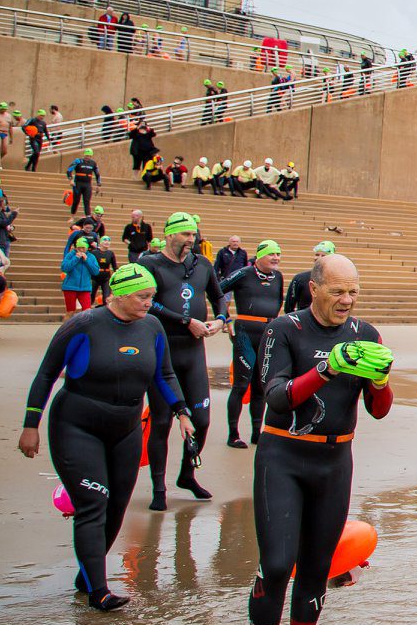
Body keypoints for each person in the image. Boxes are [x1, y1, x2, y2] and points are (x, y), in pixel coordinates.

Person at [235, 254, 393, 625]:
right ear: (314, 289)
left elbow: (378, 410)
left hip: (334, 460)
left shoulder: (365, 335)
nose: (347, 300)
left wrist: (380, 380)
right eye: (338, 291)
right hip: (282, 456)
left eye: (354, 292)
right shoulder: (284, 330)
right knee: (279, 564)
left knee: (317, 570)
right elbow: (277, 398)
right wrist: (328, 367)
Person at [17, 263, 189, 611]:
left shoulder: (152, 327)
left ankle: (87, 575)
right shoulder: (84, 325)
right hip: (77, 425)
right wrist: (30, 425)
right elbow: (46, 375)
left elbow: (164, 374)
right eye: (143, 297)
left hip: (125, 429)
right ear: (120, 295)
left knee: (116, 507)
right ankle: (99, 591)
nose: (149, 303)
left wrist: (182, 412)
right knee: (93, 504)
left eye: (152, 297)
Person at [136, 211, 225, 509]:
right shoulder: (149, 264)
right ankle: (158, 489)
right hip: (163, 351)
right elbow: (149, 303)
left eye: (194, 234)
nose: (192, 240)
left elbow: (218, 296)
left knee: (201, 419)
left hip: (193, 351)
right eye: (186, 234)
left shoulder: (202, 265)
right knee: (161, 421)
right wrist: (186, 320)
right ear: (170, 233)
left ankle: (187, 475)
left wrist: (221, 319)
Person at [221, 239, 287, 448]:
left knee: (261, 386)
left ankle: (256, 433)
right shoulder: (244, 273)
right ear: (260, 256)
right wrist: (225, 318)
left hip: (267, 334)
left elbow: (278, 302)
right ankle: (233, 434)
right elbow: (217, 289)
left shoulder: (278, 277)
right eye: (272, 254)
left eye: (278, 254)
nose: (276, 258)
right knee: (241, 384)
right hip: (245, 333)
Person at [285, 242, 333, 314]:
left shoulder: (336, 280)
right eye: (317, 255)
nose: (319, 258)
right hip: (303, 322)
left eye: (323, 255)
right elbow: (289, 307)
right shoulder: (300, 278)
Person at [60, 236, 100, 314]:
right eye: (79, 248)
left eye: (83, 248)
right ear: (76, 248)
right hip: (70, 287)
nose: (81, 250)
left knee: (87, 311)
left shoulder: (91, 257)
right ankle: (67, 326)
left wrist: (87, 260)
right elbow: (64, 268)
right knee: (70, 312)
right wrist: (76, 258)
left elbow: (95, 272)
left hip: (85, 288)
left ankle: (84, 326)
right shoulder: (70, 255)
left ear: (87, 248)